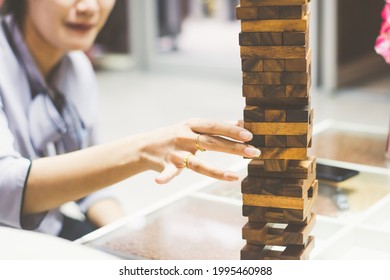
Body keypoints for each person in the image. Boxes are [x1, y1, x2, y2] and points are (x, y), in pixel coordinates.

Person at [0, 0, 261, 241]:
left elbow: (89, 188)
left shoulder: (76, 67)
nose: (90, 7)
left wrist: (128, 238)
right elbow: (6, 189)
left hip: (44, 231)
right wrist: (141, 150)